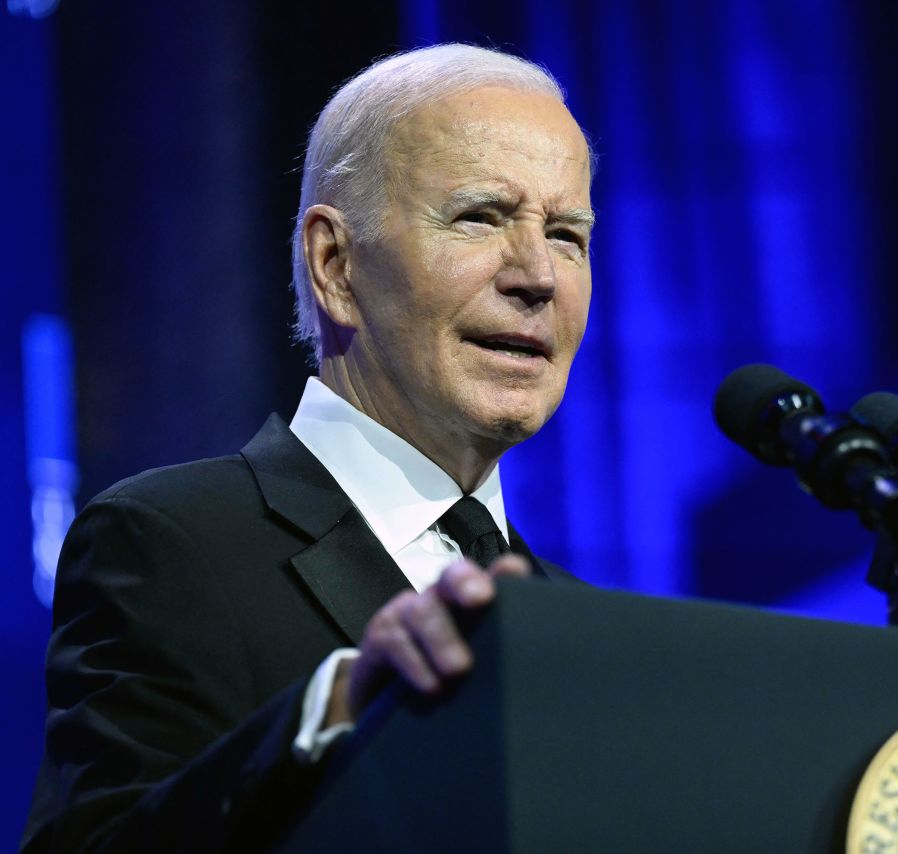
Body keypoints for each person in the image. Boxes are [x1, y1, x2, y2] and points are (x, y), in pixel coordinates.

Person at [23, 43, 594, 852]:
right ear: (335, 264)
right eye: (480, 217)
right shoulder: (171, 542)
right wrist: (333, 713)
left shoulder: (575, 622)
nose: (539, 274)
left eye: (568, 234)